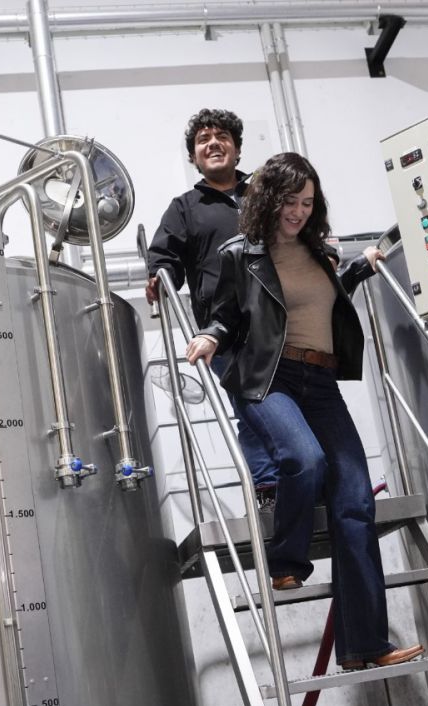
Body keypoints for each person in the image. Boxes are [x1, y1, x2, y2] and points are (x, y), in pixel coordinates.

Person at [185, 152, 425, 671]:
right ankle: (286, 562)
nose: (298, 211)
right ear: (269, 199)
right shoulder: (240, 254)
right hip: (269, 377)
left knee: (355, 502)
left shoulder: (319, 251)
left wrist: (360, 266)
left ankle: (365, 645)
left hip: (321, 383)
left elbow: (327, 297)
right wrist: (210, 336)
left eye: (308, 203)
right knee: (304, 459)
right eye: (290, 201)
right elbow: (226, 315)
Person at [147, 108, 278, 503]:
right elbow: (164, 257)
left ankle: (310, 479)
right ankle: (269, 486)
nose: (213, 143)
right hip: (226, 332)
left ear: (237, 149)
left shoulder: (264, 194)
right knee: (252, 407)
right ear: (194, 157)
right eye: (203, 140)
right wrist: (159, 278)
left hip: (281, 319)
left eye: (222, 137)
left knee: (299, 400)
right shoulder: (186, 207)